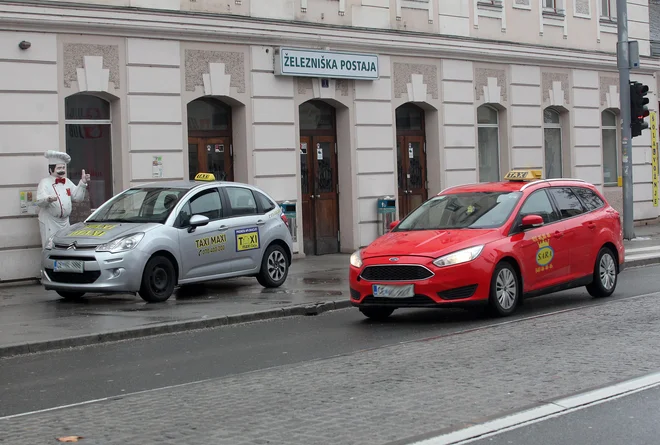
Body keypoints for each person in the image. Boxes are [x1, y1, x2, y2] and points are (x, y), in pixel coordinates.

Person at [36, 150, 91, 248]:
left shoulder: (67, 181)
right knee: (50, 246)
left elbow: (77, 197)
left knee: (65, 246)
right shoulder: (44, 182)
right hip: (50, 222)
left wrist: (82, 183)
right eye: (59, 168)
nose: (61, 170)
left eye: (63, 167)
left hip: (65, 222)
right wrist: (48, 199)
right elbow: (40, 200)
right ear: (51, 169)